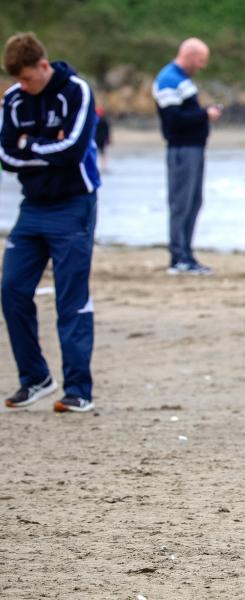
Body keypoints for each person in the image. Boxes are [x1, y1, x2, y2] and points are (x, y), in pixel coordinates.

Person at [0, 32, 100, 412]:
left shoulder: (76, 91)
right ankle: (36, 378)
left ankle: (78, 389)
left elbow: (73, 150)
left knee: (70, 298)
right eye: (19, 80)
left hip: (74, 204)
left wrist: (31, 143)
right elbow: (6, 156)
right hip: (32, 207)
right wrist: (45, 145)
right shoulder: (13, 98)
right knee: (11, 290)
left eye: (28, 78)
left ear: (43, 65)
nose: (23, 86)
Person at [152, 37, 221, 275]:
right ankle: (178, 257)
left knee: (194, 202)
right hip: (182, 150)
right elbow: (173, 119)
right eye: (201, 60)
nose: (202, 66)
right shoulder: (169, 79)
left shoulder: (182, 79)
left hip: (194, 148)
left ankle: (187, 254)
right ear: (189, 55)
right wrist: (205, 115)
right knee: (181, 203)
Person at [94, 105, 111, 173]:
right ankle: (102, 167)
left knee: (101, 153)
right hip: (99, 139)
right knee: (101, 153)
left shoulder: (98, 120)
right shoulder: (103, 120)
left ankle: (103, 167)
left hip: (100, 139)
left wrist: (108, 139)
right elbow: (107, 131)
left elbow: (107, 131)